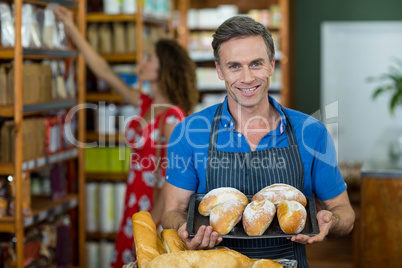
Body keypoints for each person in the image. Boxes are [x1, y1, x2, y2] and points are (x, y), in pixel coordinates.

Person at [161, 16, 355, 267]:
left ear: (272, 65)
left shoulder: (311, 132)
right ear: (219, 70)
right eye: (234, 66)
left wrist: (332, 221)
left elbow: (345, 213)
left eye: (256, 64)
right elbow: (172, 211)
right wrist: (186, 231)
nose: (247, 77)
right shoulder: (189, 132)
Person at [55, 6, 199, 267]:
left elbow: (171, 178)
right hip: (135, 200)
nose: (141, 62)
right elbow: (105, 73)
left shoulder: (172, 118)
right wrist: (72, 29)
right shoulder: (146, 104)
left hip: (151, 210)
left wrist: (152, 223)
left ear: (165, 68)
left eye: (149, 58)